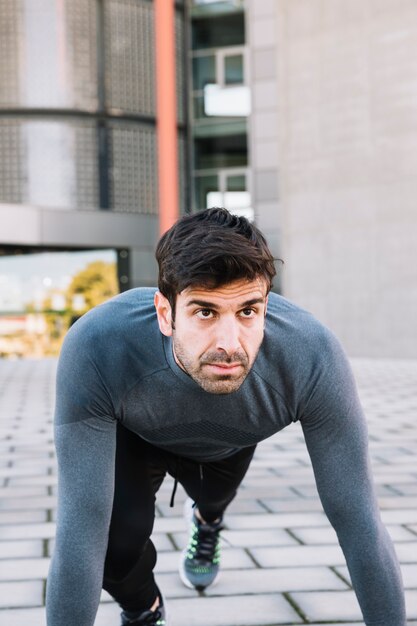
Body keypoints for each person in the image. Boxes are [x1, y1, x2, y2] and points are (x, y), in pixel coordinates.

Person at [46, 208, 406, 626]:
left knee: (212, 500)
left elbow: (358, 519)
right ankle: (144, 608)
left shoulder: (312, 356)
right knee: (113, 544)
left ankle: (206, 520)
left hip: (227, 443)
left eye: (248, 312)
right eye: (205, 312)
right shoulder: (97, 347)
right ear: (166, 313)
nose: (229, 343)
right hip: (135, 437)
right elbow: (79, 534)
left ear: (266, 308)